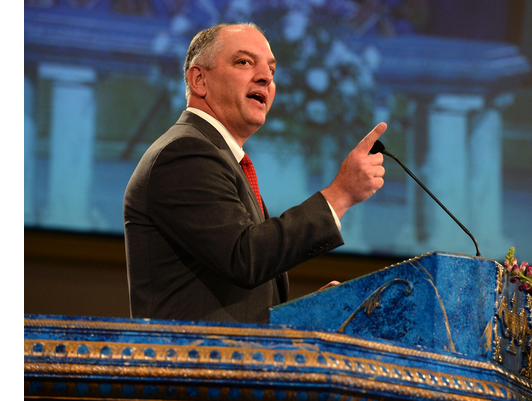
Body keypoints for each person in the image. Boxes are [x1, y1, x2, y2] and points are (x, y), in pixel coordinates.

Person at [124, 22, 386, 324]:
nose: (265, 77)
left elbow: (237, 295)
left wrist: (305, 316)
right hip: (197, 366)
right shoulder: (184, 153)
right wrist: (340, 194)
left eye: (272, 71)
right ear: (199, 80)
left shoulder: (221, 158)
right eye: (244, 62)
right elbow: (244, 257)